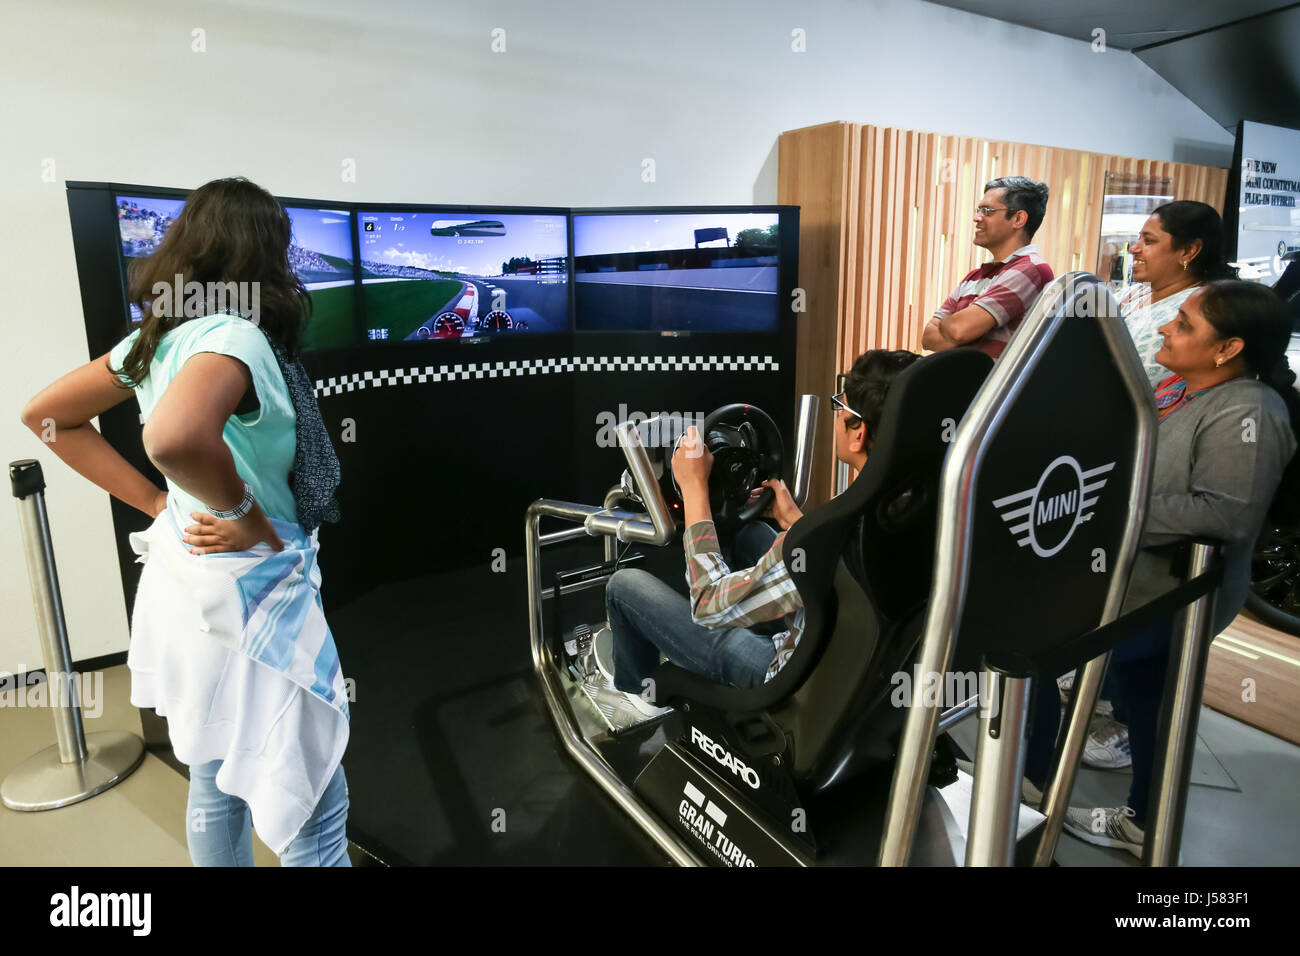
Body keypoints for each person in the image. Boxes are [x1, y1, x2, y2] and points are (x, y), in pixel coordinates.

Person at [21, 177, 351, 866]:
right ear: (264, 253)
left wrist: (156, 505)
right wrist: (241, 512)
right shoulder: (236, 334)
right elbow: (173, 437)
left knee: (213, 775)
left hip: (185, 586)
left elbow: (46, 417)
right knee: (314, 813)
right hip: (253, 594)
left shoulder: (159, 338)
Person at [1051, 280, 1300, 858]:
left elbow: (1226, 514)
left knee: (1109, 686)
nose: (1166, 327)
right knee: (1146, 702)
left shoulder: (1249, 414)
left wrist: (1107, 508)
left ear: (1228, 349)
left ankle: (1103, 811)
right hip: (1133, 586)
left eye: (1184, 324)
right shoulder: (1179, 389)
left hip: (1171, 597)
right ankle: (1143, 816)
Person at [604, 349, 920, 718]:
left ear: (858, 433)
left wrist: (695, 492)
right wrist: (797, 522)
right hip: (851, 662)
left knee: (623, 586)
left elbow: (707, 605)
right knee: (749, 531)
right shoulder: (917, 513)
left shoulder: (832, 538)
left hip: (787, 680)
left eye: (840, 407)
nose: (836, 415)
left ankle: (638, 691)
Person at [922, 176, 1054, 360]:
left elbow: (960, 330)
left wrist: (950, 325)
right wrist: (961, 327)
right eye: (979, 210)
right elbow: (928, 338)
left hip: (996, 388)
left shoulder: (1031, 269)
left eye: (987, 211)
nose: (977, 218)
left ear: (1018, 219)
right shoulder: (974, 276)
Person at [1118, 200, 1235, 390]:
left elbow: (1130, 383)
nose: (1134, 249)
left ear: (1188, 251)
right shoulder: (1136, 292)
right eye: (1138, 239)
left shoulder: (1192, 312)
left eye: (1149, 241)